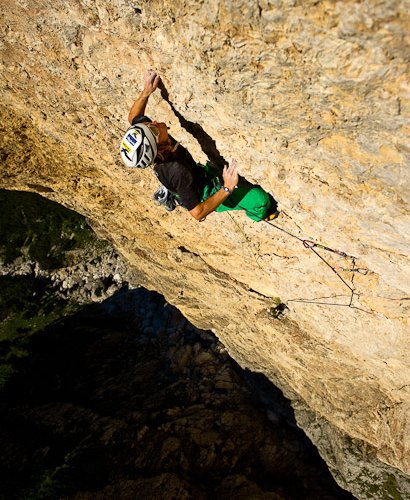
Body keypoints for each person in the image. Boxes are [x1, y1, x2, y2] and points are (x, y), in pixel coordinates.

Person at [120, 69, 278, 222]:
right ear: (160, 149)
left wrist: (147, 91)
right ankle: (261, 215)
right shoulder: (177, 172)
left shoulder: (147, 137)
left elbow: (134, 117)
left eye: (148, 124)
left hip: (196, 174)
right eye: (153, 129)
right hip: (206, 192)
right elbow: (198, 213)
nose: (153, 122)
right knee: (260, 200)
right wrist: (227, 188)